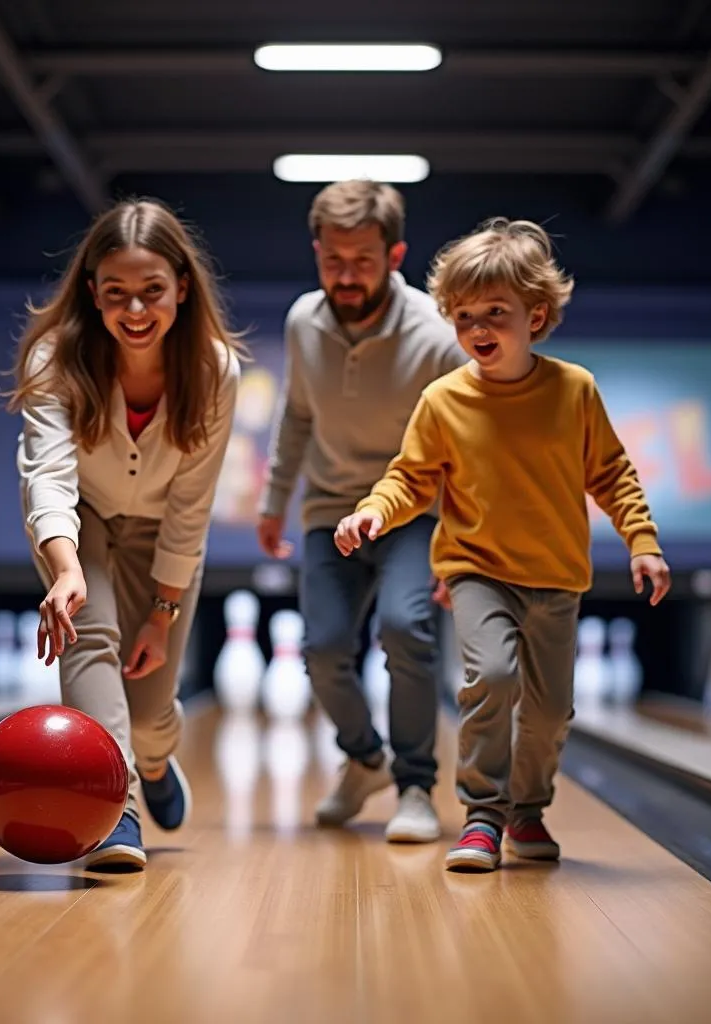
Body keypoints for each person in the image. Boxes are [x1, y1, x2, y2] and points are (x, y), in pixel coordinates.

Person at [335, 217, 671, 871]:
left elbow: (612, 475)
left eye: (496, 313)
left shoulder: (574, 391)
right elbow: (410, 478)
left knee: (547, 714)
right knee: (490, 679)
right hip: (476, 571)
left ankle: (527, 810)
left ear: (536, 314)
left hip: (557, 578)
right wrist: (373, 512)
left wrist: (643, 542)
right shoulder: (444, 399)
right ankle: (482, 815)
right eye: (464, 317)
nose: (479, 329)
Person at [7, 198, 244, 869]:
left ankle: (157, 761)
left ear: (182, 289)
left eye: (151, 293)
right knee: (91, 644)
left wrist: (163, 615)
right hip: (77, 522)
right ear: (92, 293)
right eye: (117, 295)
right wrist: (66, 570)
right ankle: (118, 812)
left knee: (147, 711)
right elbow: (48, 477)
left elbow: (192, 505)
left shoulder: (215, 370)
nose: (135, 312)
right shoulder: (57, 357)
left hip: (162, 533)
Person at [257, 180, 465, 843]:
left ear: (395, 253)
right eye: (332, 261)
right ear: (317, 251)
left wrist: (462, 543)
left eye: (363, 262)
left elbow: (468, 446)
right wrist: (272, 504)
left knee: (407, 631)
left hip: (414, 510)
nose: (346, 277)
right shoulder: (301, 321)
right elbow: (295, 416)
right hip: (328, 507)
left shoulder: (436, 334)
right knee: (320, 650)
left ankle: (413, 787)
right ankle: (365, 758)